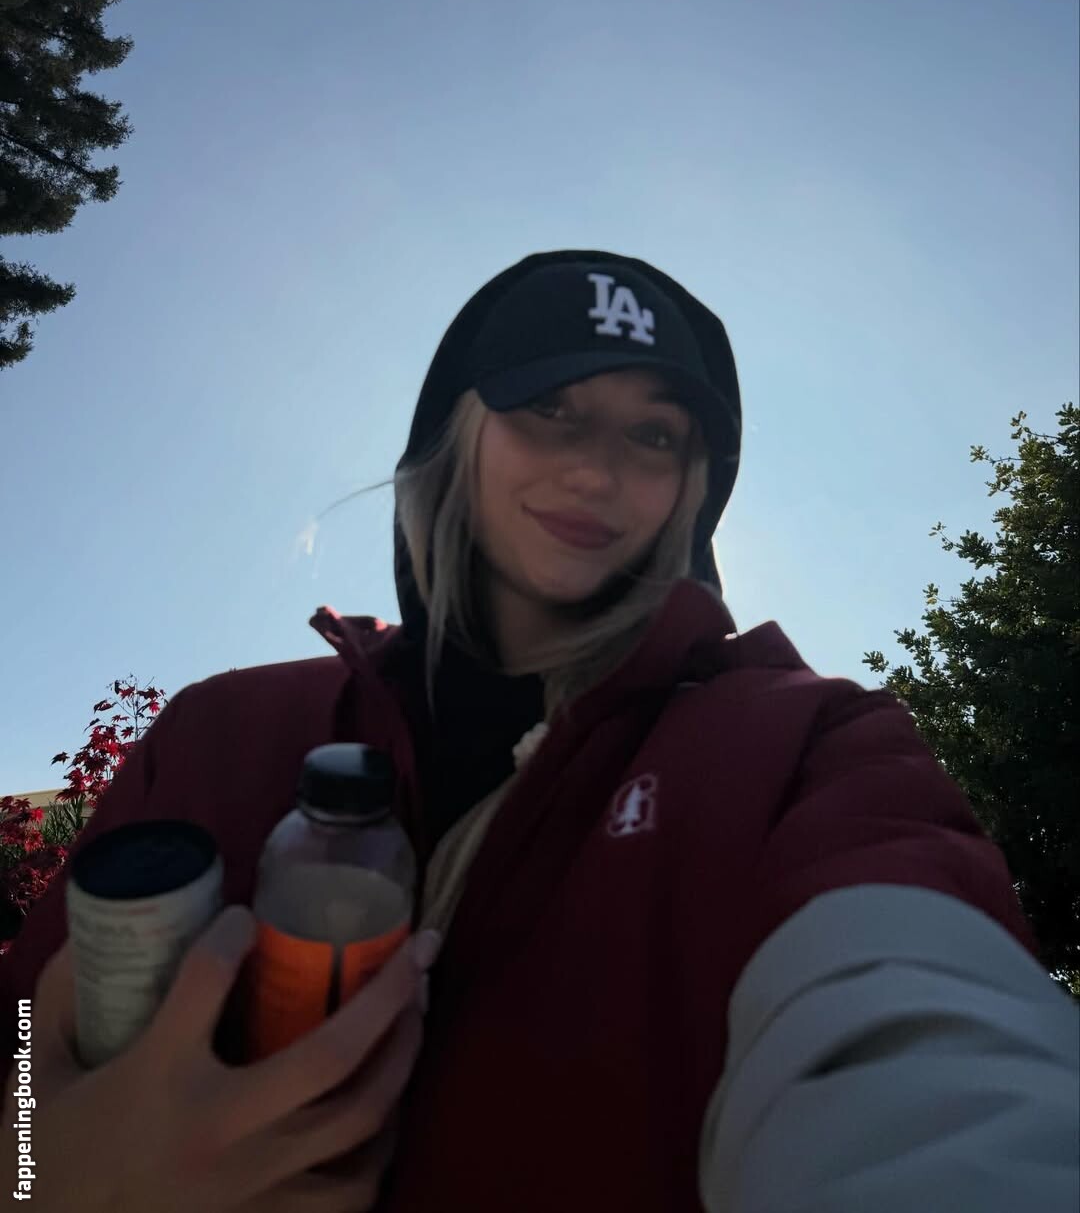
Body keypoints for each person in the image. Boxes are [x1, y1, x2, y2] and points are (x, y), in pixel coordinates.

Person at [1, 249, 1076, 1212]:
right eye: (550, 406)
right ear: (455, 434)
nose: (597, 470)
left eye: (654, 433)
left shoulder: (808, 745)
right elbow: (18, 1042)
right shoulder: (223, 731)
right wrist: (37, 1175)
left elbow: (926, 1042)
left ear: (694, 487)